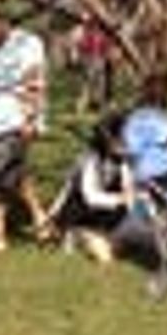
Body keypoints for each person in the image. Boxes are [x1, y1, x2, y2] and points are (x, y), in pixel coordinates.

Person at [0, 2, 52, 252]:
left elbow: (34, 79)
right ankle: (41, 222)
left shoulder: (27, 43)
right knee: (14, 174)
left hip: (16, 119)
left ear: (0, 23)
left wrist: (30, 118)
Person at [48, 111, 134, 263]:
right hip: (77, 216)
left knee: (126, 247)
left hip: (103, 216)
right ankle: (76, 236)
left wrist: (131, 197)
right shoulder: (90, 160)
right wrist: (120, 199)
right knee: (106, 258)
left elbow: (129, 188)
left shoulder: (121, 161)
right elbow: (90, 197)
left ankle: (103, 237)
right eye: (123, 138)